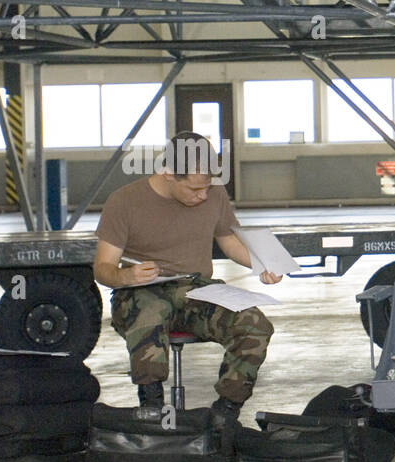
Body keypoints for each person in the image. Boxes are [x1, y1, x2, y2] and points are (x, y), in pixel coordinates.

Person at [92, 132, 282, 420]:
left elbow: (229, 242)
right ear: (168, 173)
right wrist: (127, 276)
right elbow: (102, 267)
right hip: (142, 291)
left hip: (197, 289)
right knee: (148, 316)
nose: (203, 195)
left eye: (207, 187)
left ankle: (226, 412)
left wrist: (261, 265)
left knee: (254, 325)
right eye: (195, 189)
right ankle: (152, 406)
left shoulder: (213, 192)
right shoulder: (125, 201)